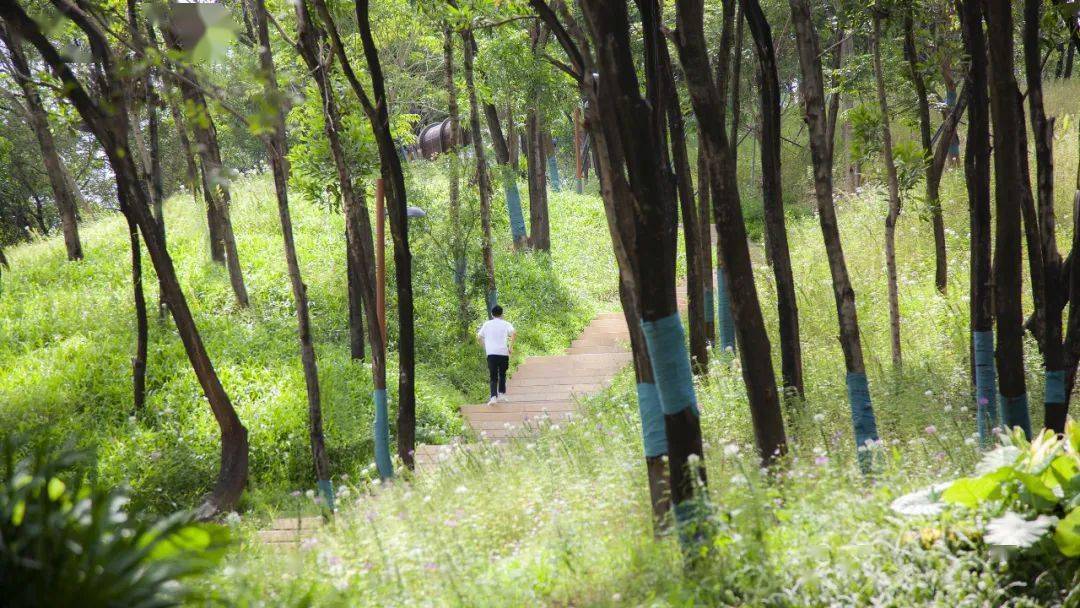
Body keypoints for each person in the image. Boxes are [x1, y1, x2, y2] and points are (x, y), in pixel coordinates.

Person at [477, 305, 515, 405]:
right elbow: (514, 333)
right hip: (503, 353)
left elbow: (479, 337)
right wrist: (510, 347)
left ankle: (493, 397)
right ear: (502, 314)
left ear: (492, 314)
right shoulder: (506, 324)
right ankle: (502, 394)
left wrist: (485, 347)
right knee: (502, 374)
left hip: (491, 353)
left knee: (493, 375)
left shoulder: (487, 324)